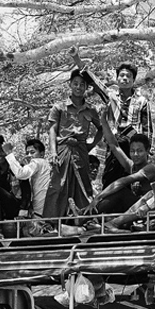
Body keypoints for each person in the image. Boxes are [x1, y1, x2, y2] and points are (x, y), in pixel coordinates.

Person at [72, 52, 154, 189]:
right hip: (114, 145)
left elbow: (147, 128)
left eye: (128, 76)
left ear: (133, 80)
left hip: (133, 147)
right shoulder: (111, 96)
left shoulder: (141, 101)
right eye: (122, 75)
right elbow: (94, 81)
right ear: (117, 79)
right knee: (111, 178)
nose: (125, 78)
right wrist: (77, 59)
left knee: (134, 181)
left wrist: (147, 150)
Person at [42, 69, 103, 222]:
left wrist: (91, 145)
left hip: (81, 150)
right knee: (58, 185)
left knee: (83, 185)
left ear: (86, 87)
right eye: (75, 83)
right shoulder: (59, 107)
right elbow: (52, 130)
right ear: (70, 84)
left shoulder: (91, 109)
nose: (78, 87)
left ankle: (84, 220)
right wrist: (53, 152)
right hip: (63, 149)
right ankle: (51, 223)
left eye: (82, 84)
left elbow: (102, 128)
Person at [82, 117, 155, 217]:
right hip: (134, 209)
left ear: (147, 150)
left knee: (121, 191)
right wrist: (104, 121)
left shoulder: (150, 169)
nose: (135, 154)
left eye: (140, 151)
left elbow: (122, 182)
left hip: (148, 210)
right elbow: (114, 146)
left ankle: (84, 216)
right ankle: (85, 216)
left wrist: (97, 198)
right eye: (132, 151)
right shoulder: (132, 166)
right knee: (116, 194)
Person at [2, 138, 51, 220]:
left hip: (40, 211)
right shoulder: (45, 164)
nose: (29, 155)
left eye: (32, 152)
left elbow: (20, 173)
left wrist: (9, 154)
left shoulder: (37, 162)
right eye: (27, 153)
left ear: (42, 154)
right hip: (45, 208)